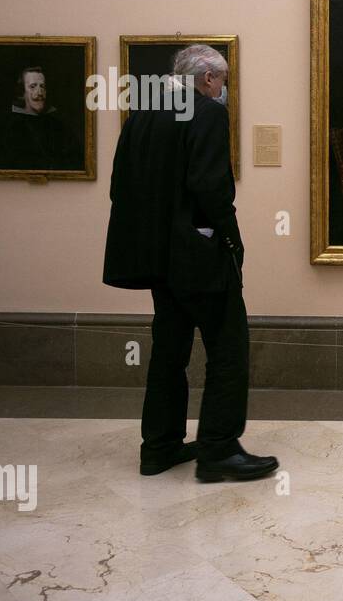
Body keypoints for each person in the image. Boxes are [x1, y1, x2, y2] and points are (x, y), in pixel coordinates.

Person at [102, 44, 279, 483]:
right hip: (198, 258)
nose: (222, 90)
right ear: (205, 78)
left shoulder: (142, 114)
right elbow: (210, 186)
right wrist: (231, 240)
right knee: (228, 348)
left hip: (158, 259)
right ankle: (218, 450)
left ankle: (158, 448)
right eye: (221, 81)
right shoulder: (207, 113)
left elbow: (120, 184)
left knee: (169, 350)